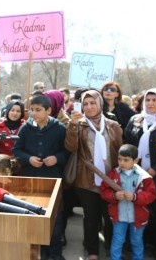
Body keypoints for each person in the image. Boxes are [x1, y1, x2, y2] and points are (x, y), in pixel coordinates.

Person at [64, 90, 123, 260]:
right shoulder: (78, 123)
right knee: (91, 217)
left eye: (93, 103)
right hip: (85, 180)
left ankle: (112, 249)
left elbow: (120, 151)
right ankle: (92, 252)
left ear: (100, 104)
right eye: (85, 104)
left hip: (110, 180)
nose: (89, 107)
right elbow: (70, 147)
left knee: (110, 217)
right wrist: (73, 125)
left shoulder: (113, 125)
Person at [12, 95, 69, 260]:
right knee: (34, 214)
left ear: (49, 110)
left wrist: (57, 158)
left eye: (38, 110)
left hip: (53, 178)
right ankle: (39, 251)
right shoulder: (25, 128)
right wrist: (28, 159)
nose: (34, 113)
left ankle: (55, 252)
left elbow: (67, 152)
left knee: (55, 217)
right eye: (32, 110)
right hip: (31, 178)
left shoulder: (59, 128)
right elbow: (17, 150)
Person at [124, 88, 156, 257]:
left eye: (155, 100)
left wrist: (154, 169)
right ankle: (135, 243)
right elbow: (127, 143)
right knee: (135, 207)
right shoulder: (136, 119)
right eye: (147, 100)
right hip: (134, 172)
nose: (150, 103)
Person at [100, 144, 156, 260]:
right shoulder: (113, 174)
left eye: (126, 160)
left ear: (135, 160)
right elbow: (104, 191)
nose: (122, 163)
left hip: (138, 217)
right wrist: (114, 196)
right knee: (118, 240)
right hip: (119, 216)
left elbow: (151, 195)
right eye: (120, 159)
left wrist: (136, 197)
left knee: (136, 241)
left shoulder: (144, 177)